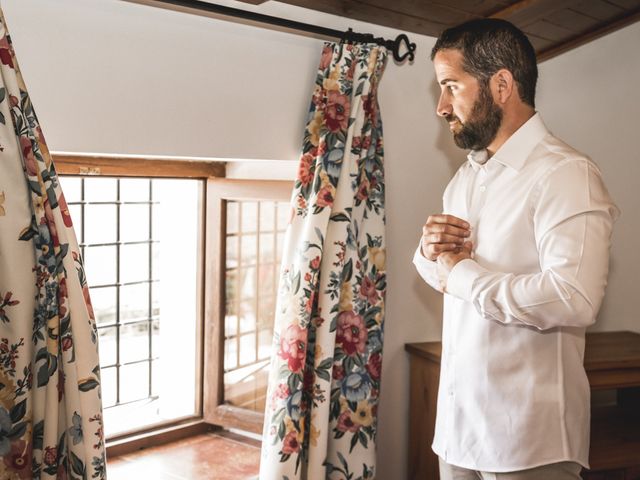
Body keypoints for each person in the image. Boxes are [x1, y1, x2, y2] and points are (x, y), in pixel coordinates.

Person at [413, 18, 619, 480]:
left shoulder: (567, 175)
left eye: (450, 86)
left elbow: (575, 298)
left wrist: (462, 272)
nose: (442, 106)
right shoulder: (466, 176)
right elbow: (447, 274)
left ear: (501, 84)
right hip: (457, 428)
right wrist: (430, 253)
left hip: (529, 440)